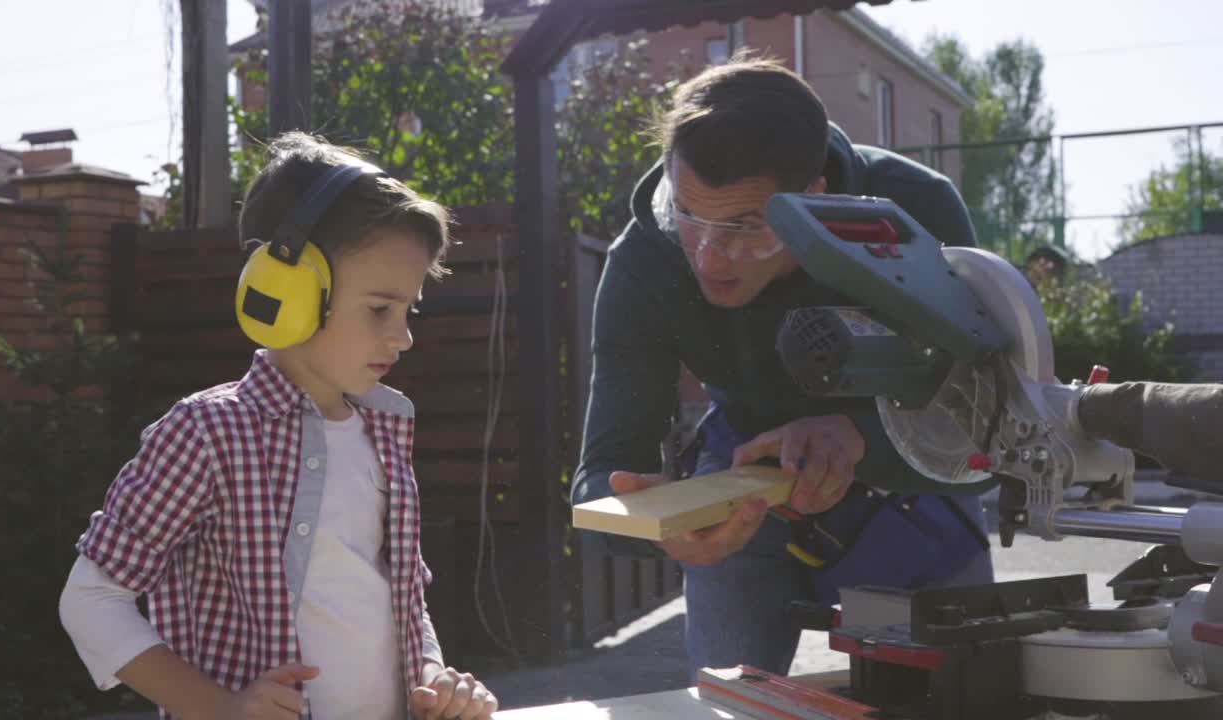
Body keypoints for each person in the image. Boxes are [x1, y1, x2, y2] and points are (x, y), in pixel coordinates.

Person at [572, 56, 996, 678]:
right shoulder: (643, 258)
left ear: (814, 199)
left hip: (910, 473)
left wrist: (863, 439)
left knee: (957, 694)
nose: (711, 258)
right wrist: (649, 526)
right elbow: (601, 473)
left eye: (747, 226)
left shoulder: (914, 212)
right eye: (689, 217)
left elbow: (987, 430)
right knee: (728, 704)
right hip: (742, 483)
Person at [60, 133, 497, 720]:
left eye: (408, 310)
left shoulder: (386, 432)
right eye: (379, 309)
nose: (404, 336)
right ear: (286, 289)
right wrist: (219, 707)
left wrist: (434, 680)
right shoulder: (208, 432)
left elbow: (401, 603)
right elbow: (90, 599)